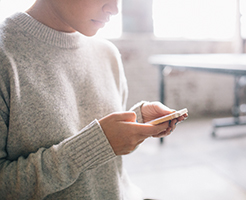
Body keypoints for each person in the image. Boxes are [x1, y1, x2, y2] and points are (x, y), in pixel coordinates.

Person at [0, 0, 187, 199]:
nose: (114, 9)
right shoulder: (6, 55)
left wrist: (136, 121)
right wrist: (93, 146)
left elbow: (108, 167)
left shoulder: (107, 53)